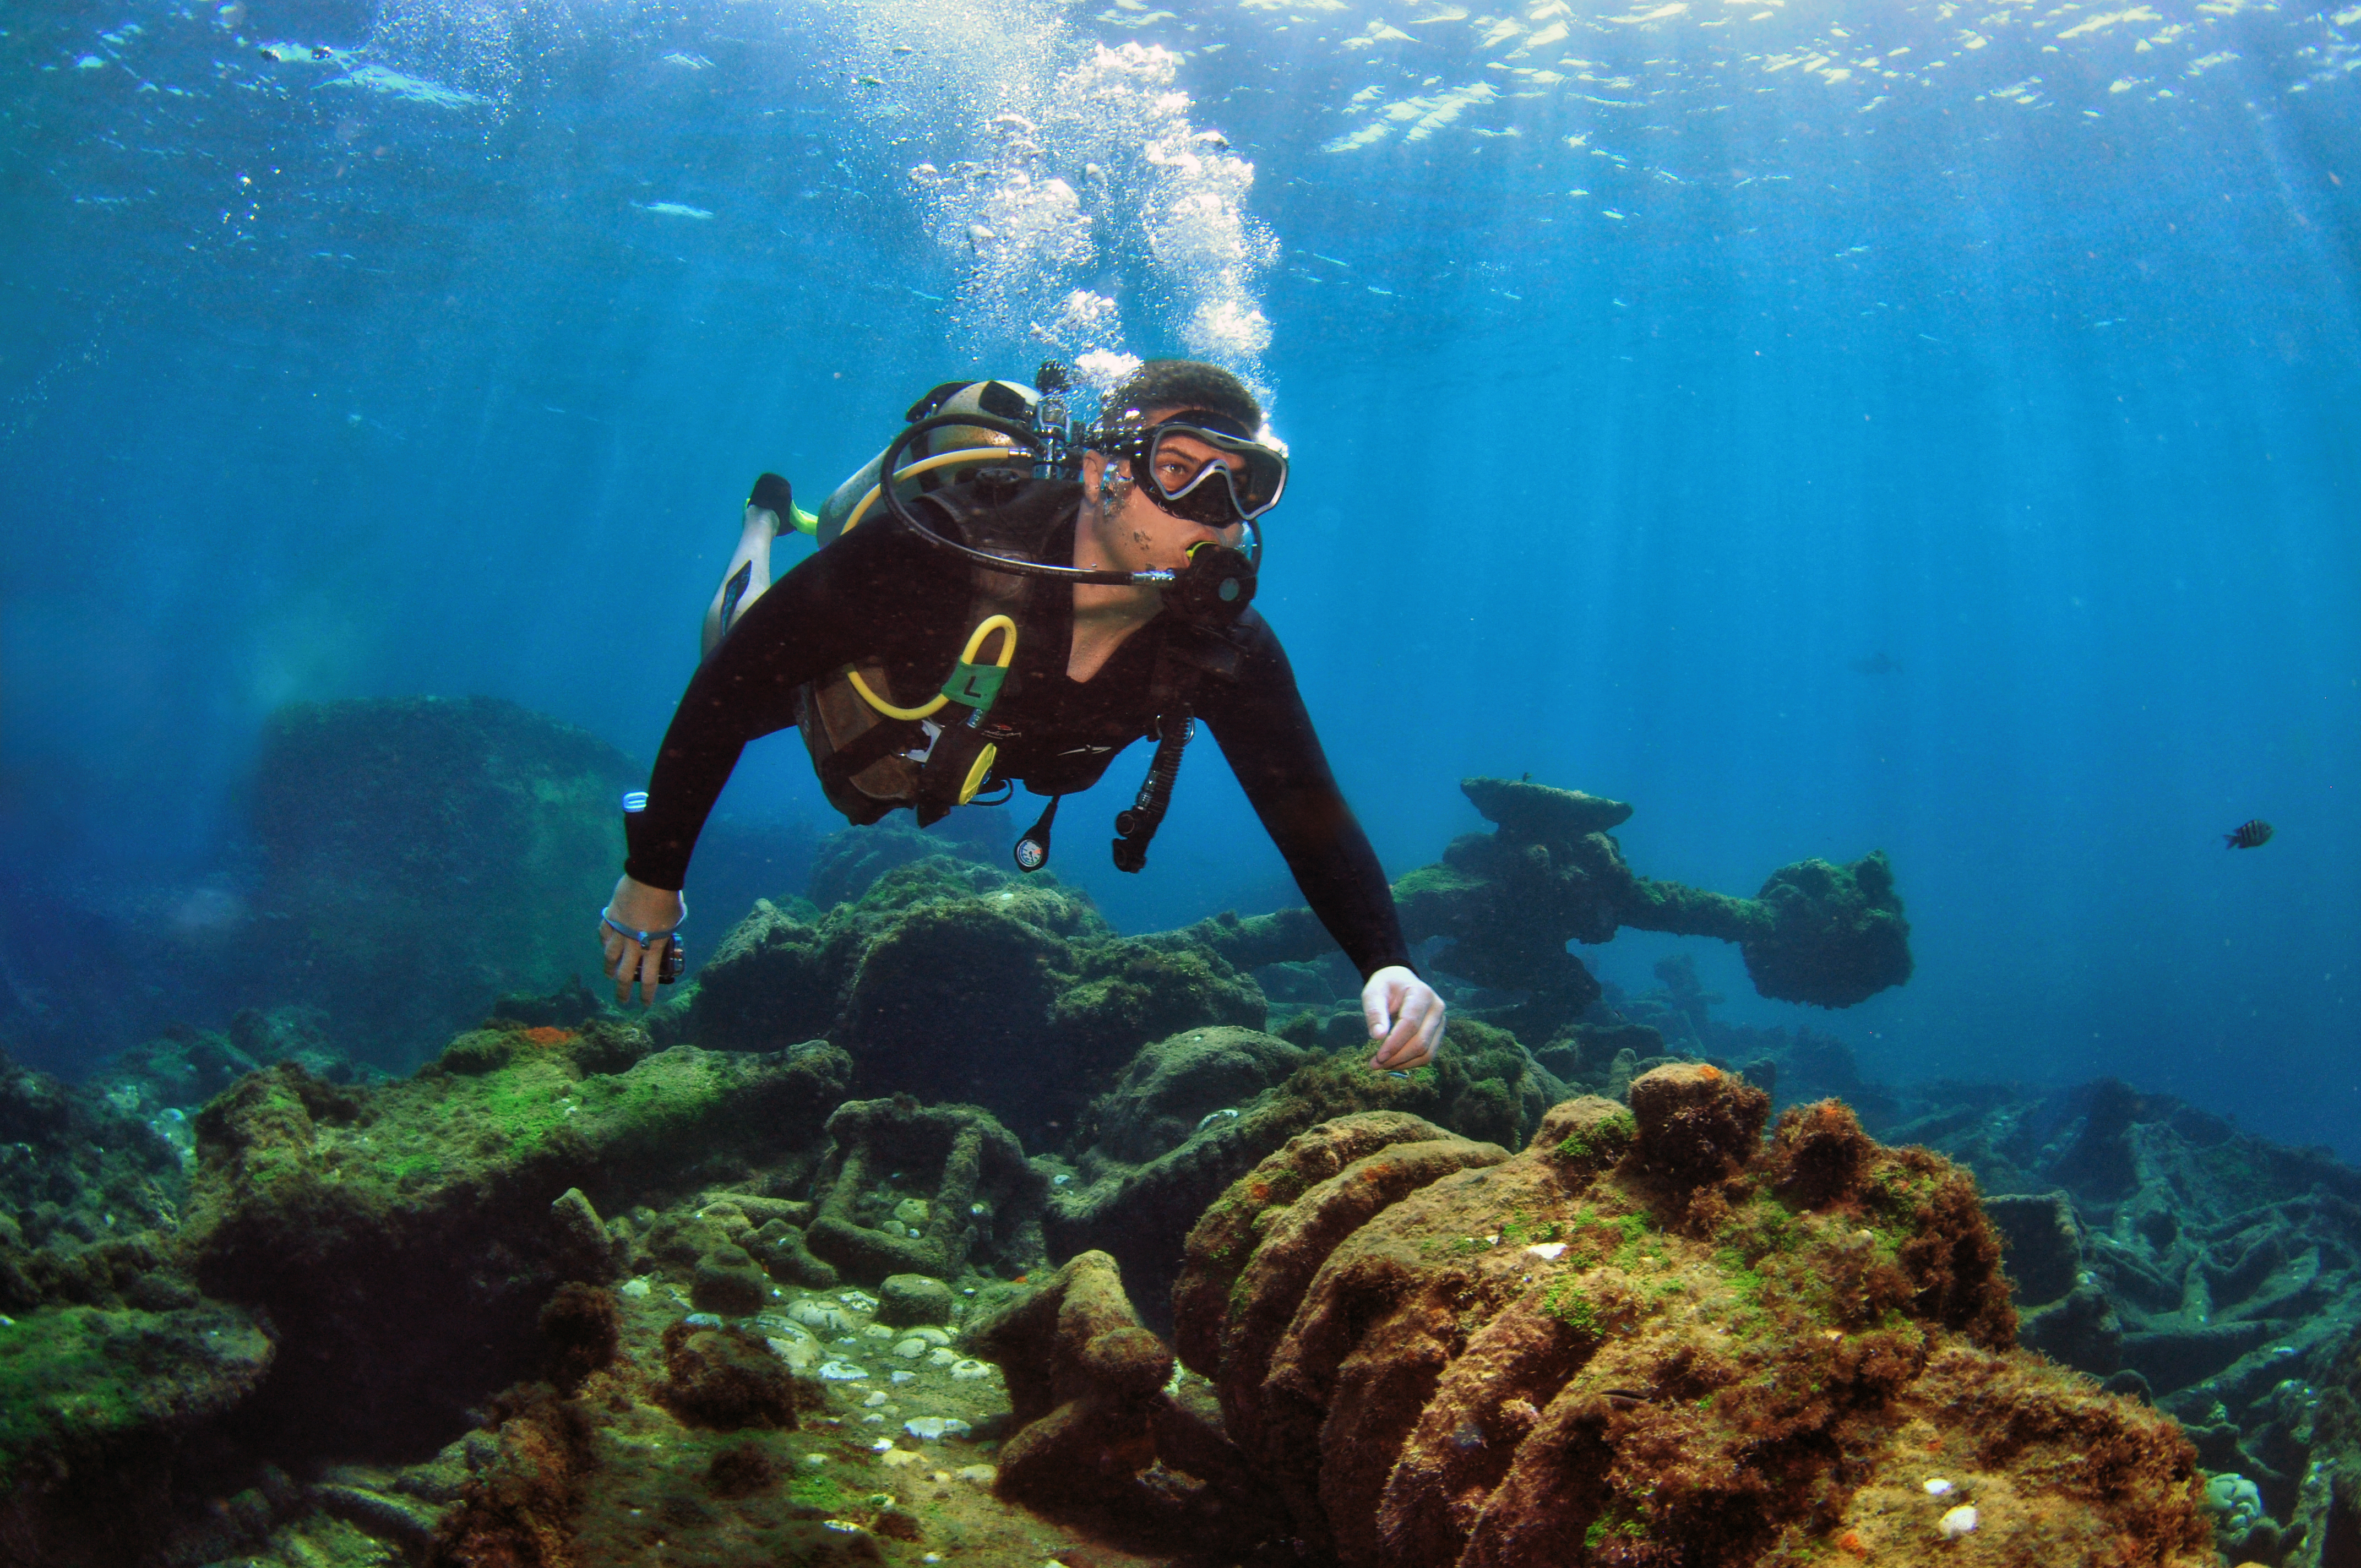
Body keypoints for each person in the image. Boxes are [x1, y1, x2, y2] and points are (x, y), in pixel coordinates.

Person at [597, 360, 1445, 1070]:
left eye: (1244, 482)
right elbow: (722, 697)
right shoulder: (934, 553)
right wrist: (653, 877)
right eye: (1179, 468)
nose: (1214, 506)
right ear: (1098, 470)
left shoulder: (1222, 645)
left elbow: (1306, 806)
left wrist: (1386, 961)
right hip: (856, 685)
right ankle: (767, 522)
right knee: (729, 644)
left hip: (968, 744)